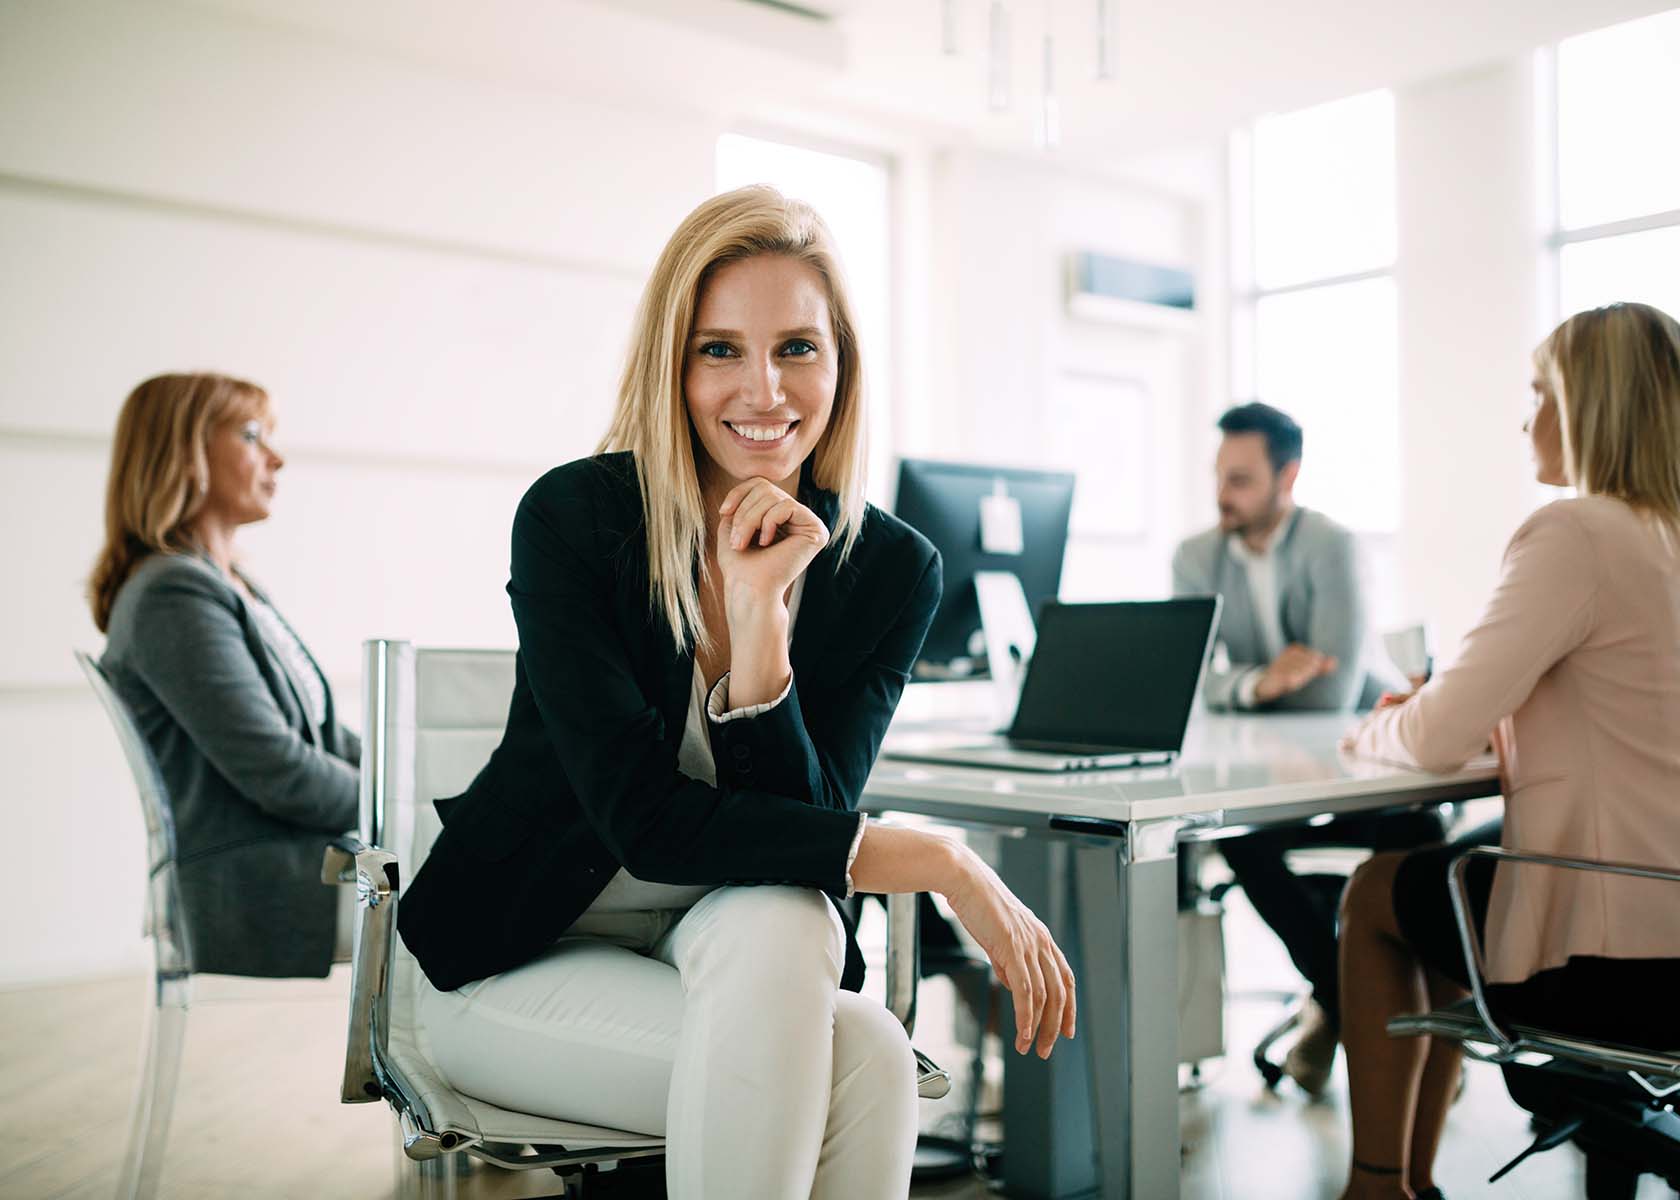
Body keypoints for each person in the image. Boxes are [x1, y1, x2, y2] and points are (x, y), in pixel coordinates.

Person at [396, 186, 1075, 1199]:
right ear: (673, 365)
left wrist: (761, 627)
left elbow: (802, 836)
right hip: (514, 955)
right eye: (721, 349)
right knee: (867, 1064)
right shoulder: (576, 521)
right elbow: (646, 825)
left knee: (801, 927)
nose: (764, 389)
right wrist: (942, 862)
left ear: (841, 365)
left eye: (797, 347)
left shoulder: (888, 570)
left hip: (725, 947)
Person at [1336, 302, 1680, 1200]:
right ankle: (1409, 1182)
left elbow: (1436, 736)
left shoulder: (1577, 534)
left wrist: (1376, 727)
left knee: (1378, 891)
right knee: (1450, 873)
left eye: (1540, 391)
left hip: (1621, 968)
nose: (1526, 416)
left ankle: (1380, 1186)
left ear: (1588, 405)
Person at [1173, 401, 1441, 1095]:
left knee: (1415, 829)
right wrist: (1263, 680)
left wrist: (1242, 684)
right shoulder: (1196, 556)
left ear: (1287, 475)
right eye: (1219, 476)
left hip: (1357, 765)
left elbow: (1329, 691)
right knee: (1238, 836)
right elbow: (1189, 680)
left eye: (1241, 479)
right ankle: (1359, 1008)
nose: (1222, 494)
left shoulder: (1333, 546)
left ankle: (1337, 1007)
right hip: (1266, 774)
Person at [91, 372, 359, 978]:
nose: (277, 458)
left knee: (491, 870)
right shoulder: (172, 594)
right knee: (489, 887)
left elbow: (323, 736)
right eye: (251, 435)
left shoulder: (227, 585)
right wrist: (401, 806)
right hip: (255, 885)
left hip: (298, 862)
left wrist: (422, 787)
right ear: (184, 455)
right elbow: (279, 771)